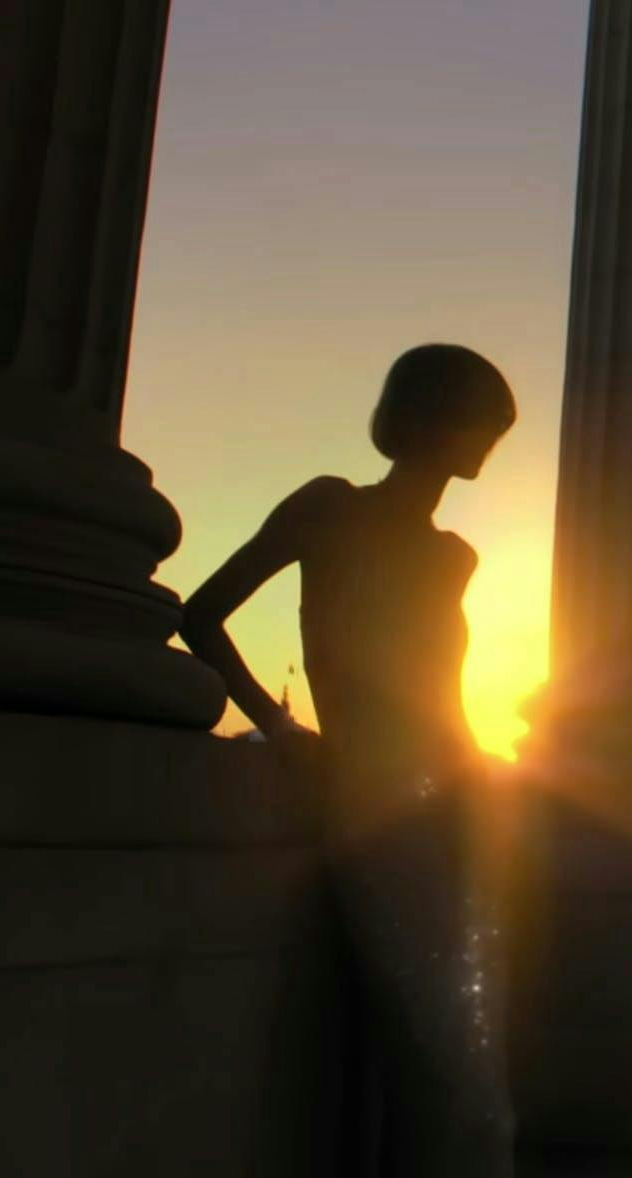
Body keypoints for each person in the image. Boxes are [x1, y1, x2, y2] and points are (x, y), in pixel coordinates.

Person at [179, 344, 518, 1178]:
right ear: (431, 419)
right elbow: (202, 614)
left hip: (458, 811)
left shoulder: (454, 558)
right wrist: (281, 729)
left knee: (447, 1060)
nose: (486, 445)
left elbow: (447, 701)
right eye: (480, 422)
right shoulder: (329, 508)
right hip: (375, 812)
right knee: (447, 1066)